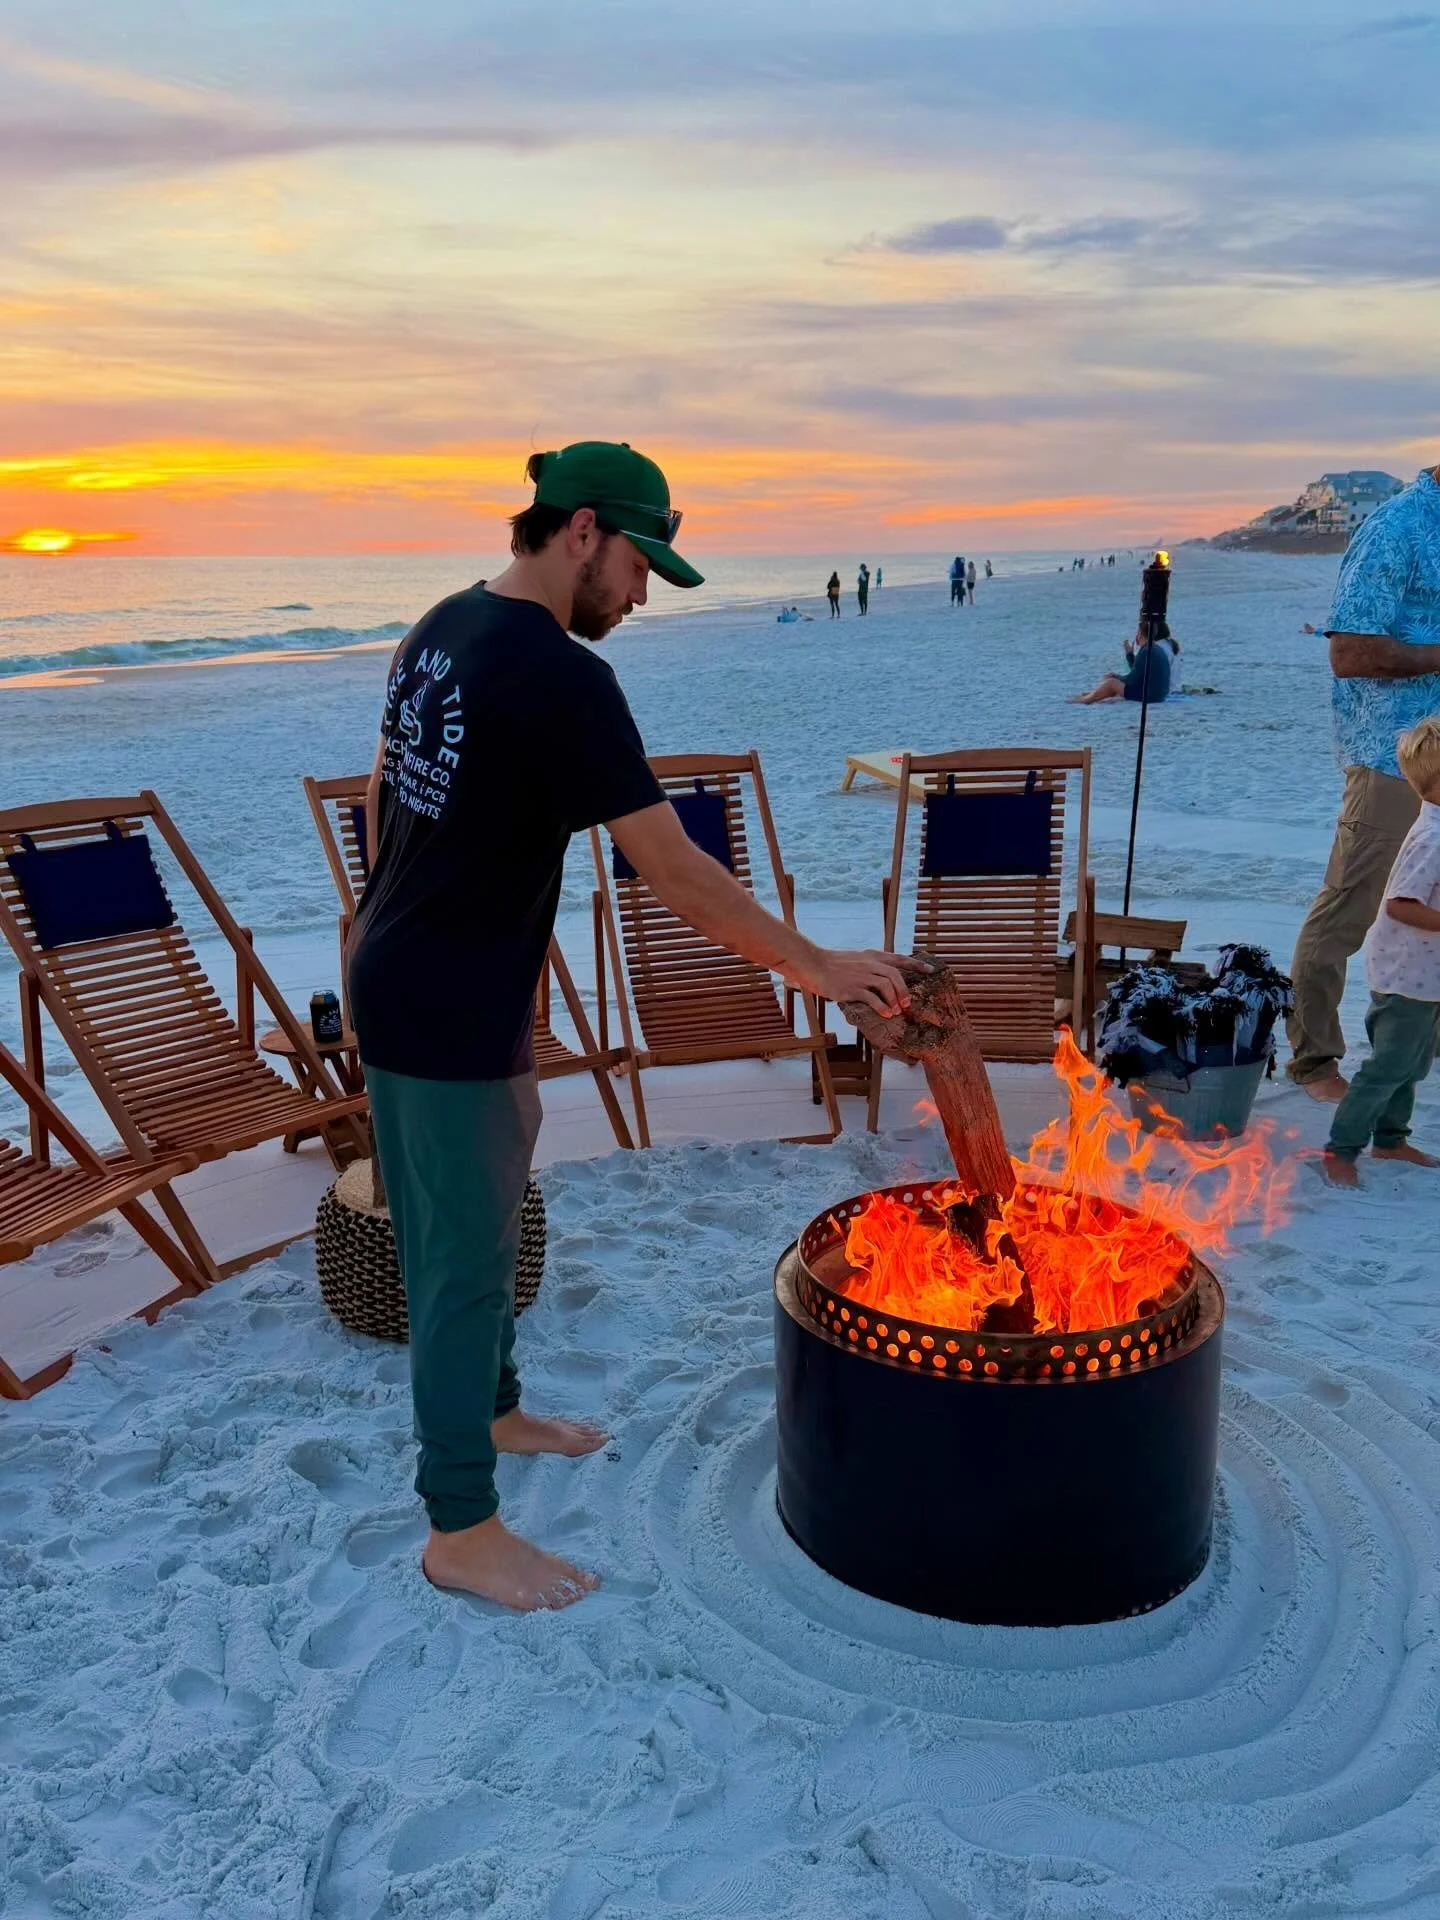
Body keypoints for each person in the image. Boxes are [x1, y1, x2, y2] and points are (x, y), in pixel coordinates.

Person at [346, 441, 912, 1612]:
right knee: (456, 1262)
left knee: (485, 1223)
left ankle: (493, 1410)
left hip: (410, 977)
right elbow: (670, 869)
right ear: (584, 529)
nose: (642, 594)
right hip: (442, 1003)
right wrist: (815, 967)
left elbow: (379, 787)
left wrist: (381, 913)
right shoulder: (559, 674)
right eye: (639, 564)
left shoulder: (441, 625)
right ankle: (460, 1525)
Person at [1287, 466, 1440, 1100]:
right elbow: (1349, 653)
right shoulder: (1397, 528)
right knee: (1349, 907)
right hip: (1394, 759)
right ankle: (1314, 1060)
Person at [1321, 717, 1440, 1187]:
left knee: (1411, 1064)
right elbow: (1401, 904)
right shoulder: (1431, 839)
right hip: (1406, 975)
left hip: (1426, 975)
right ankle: (1340, 1150)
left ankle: (1391, 1140)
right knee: (1387, 1066)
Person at [1069, 631, 1177, 705]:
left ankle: (1086, 700)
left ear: (1140, 634)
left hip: (1149, 697)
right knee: (1113, 684)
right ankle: (1094, 694)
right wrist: (1129, 653)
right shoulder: (1155, 649)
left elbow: (1132, 679)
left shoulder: (1146, 651)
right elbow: (1138, 670)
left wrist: (1116, 677)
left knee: (1111, 683)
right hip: (1158, 695)